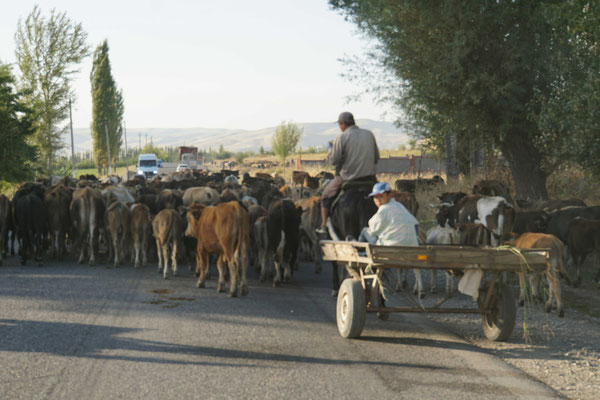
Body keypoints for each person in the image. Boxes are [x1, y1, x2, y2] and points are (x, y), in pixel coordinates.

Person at [315, 112, 380, 235]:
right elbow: (377, 157)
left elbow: (334, 161)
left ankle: (323, 225)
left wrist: (330, 152)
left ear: (342, 124)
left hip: (347, 179)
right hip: (370, 179)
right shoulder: (369, 134)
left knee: (325, 196)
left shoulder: (342, 137)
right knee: (386, 195)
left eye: (340, 124)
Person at [358, 182, 419, 246]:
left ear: (390, 195)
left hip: (389, 248)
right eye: (375, 197)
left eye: (381, 196)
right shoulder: (400, 206)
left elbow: (373, 231)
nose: (378, 200)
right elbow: (415, 225)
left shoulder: (384, 209)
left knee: (365, 231)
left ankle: (360, 250)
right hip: (411, 248)